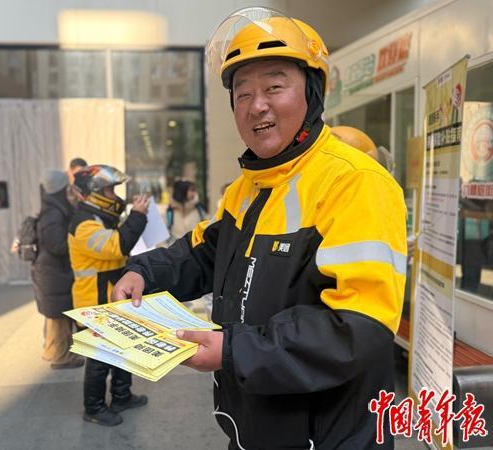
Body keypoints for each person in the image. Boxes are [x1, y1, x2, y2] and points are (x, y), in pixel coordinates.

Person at [113, 8, 406, 450]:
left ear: (312, 90)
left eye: (274, 86)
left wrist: (233, 351)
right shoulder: (248, 187)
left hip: (326, 436)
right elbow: (205, 251)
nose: (256, 105)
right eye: (243, 93)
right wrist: (144, 271)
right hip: (253, 423)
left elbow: (356, 327)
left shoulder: (355, 182)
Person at [69, 164, 150, 427]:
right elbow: (117, 246)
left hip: (111, 299)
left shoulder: (101, 218)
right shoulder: (84, 224)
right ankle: (93, 408)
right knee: (99, 360)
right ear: (93, 193)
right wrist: (137, 217)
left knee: (122, 350)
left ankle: (122, 397)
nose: (114, 196)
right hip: (93, 303)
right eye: (109, 190)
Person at [31, 170, 84, 370]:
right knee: (58, 318)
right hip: (53, 274)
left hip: (53, 272)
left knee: (56, 318)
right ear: (61, 189)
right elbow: (57, 245)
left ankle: (53, 351)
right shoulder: (53, 214)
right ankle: (61, 357)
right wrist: (78, 242)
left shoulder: (52, 209)